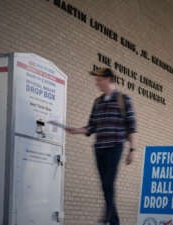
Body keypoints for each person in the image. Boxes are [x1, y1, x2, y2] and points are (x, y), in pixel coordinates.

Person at [66, 67, 137, 225]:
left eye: (99, 79)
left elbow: (131, 126)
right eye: (96, 80)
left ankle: (107, 216)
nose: (97, 83)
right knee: (105, 185)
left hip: (115, 146)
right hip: (99, 148)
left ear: (108, 79)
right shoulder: (97, 102)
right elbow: (92, 126)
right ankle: (114, 221)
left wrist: (132, 150)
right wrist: (76, 130)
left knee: (108, 182)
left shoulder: (123, 99)